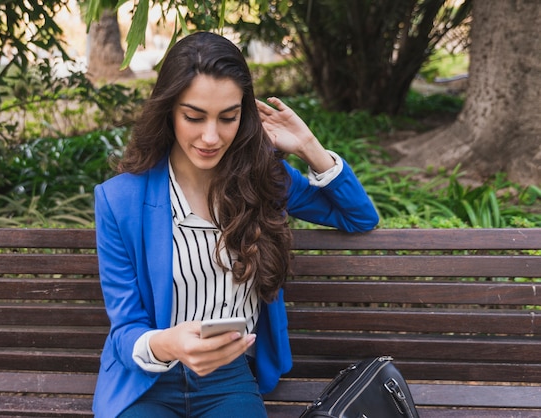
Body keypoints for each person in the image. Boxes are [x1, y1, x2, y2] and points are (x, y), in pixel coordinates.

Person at [92, 31, 379, 418]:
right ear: (169, 112)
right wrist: (169, 344)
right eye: (194, 117)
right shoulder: (120, 200)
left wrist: (309, 145)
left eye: (228, 117)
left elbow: (358, 216)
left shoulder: (263, 179)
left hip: (228, 379)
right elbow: (126, 329)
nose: (211, 137)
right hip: (147, 382)